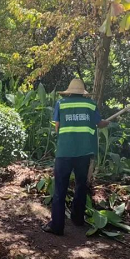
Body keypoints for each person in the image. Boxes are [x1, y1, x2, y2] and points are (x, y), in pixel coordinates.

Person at [42, 79, 109, 236]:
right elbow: (99, 123)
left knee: (60, 189)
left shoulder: (61, 104)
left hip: (64, 152)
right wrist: (105, 123)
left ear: (69, 91)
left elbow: (57, 126)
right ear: (83, 92)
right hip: (83, 153)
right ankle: (78, 219)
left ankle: (57, 226)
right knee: (80, 185)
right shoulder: (90, 105)